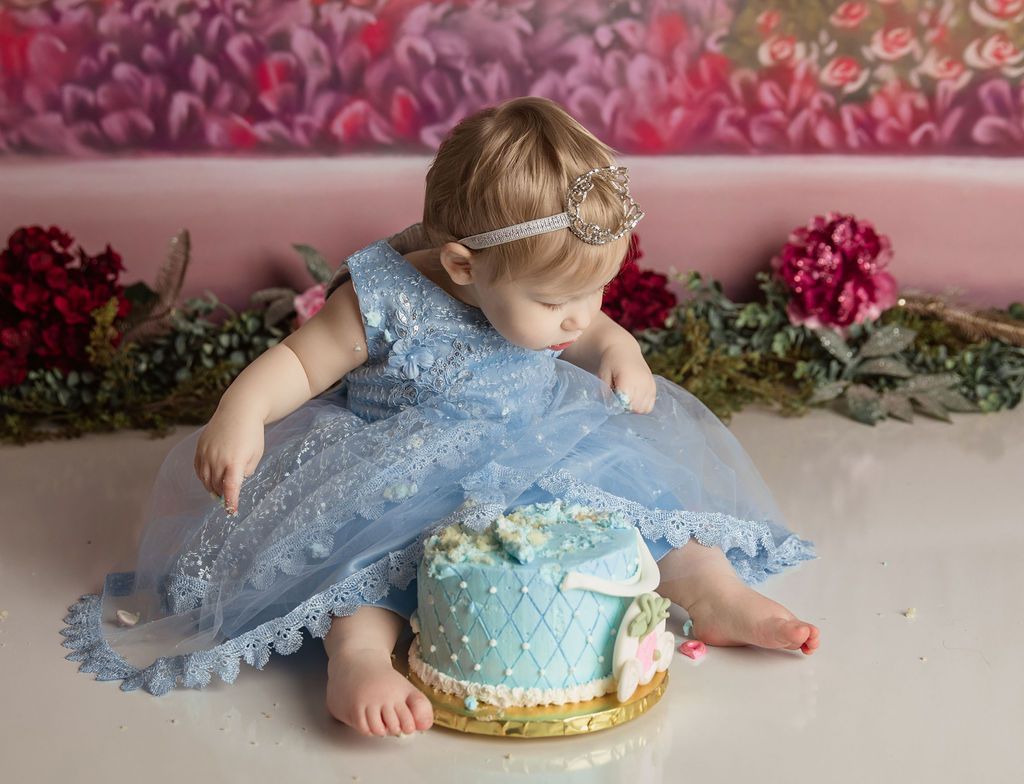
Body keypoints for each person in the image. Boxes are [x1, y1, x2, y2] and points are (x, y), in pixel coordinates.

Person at [62, 96, 819, 740]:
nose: (576, 317)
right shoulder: (384, 297)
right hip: (406, 468)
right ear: (463, 266)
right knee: (365, 566)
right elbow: (300, 362)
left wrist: (618, 346)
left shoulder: (550, 295)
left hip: (541, 440)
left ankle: (710, 592)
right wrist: (242, 412)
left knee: (648, 506)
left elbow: (585, 328)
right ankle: (357, 659)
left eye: (596, 292)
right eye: (555, 302)